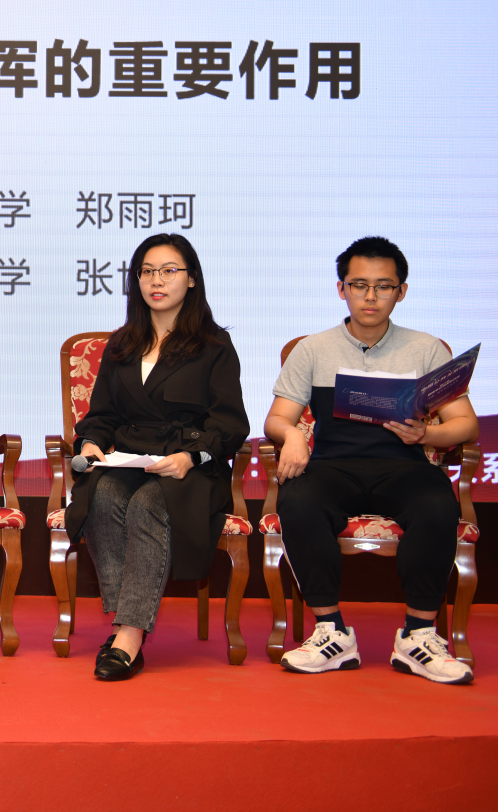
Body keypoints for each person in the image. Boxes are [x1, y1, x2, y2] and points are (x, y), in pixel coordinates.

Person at [265, 236, 476, 684]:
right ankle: (332, 632)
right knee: (299, 500)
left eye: (384, 286)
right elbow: (277, 418)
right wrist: (293, 436)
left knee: (437, 503)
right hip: (332, 467)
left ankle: (418, 637)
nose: (371, 296)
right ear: (341, 288)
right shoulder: (313, 349)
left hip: (405, 467)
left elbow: (465, 424)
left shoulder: (426, 349)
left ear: (402, 291)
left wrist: (428, 433)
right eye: (359, 285)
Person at [66, 233, 248, 680]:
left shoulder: (214, 345)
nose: (156, 281)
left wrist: (191, 456)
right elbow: (102, 415)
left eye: (169, 271)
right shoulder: (122, 343)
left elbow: (229, 423)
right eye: (147, 272)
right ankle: (125, 622)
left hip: (191, 468)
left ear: (192, 279)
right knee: (102, 496)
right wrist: (90, 442)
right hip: (132, 459)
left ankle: (128, 635)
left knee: (149, 503)